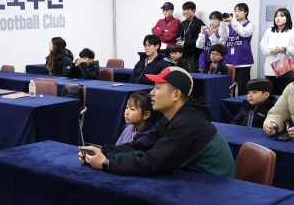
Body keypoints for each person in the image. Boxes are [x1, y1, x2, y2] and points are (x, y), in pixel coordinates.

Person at [79, 67, 234, 177]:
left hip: (215, 192)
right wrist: (103, 151)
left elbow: (151, 163)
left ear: (176, 95)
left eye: (158, 88)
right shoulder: (172, 119)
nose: (151, 93)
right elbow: (141, 145)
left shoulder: (188, 124)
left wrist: (106, 164)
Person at [261, 7, 294, 96]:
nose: (278, 18)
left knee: (284, 93)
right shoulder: (269, 31)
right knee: (271, 93)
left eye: (282, 16)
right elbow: (263, 45)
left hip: (286, 68)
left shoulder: (293, 31)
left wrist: (284, 50)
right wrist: (270, 51)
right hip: (270, 66)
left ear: (287, 18)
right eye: (276, 16)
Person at [226, 3, 256, 94]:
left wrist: (233, 21)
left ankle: (243, 103)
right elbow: (222, 37)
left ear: (246, 12)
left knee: (243, 88)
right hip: (229, 61)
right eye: (235, 11)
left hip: (243, 61)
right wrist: (223, 23)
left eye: (239, 11)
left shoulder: (249, 25)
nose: (237, 13)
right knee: (229, 88)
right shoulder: (230, 25)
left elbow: (244, 33)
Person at [177, 1, 205, 66]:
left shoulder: (199, 23)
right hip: (182, 54)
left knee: (192, 71)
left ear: (194, 11)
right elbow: (179, 36)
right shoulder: (183, 23)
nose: (185, 12)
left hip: (193, 56)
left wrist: (185, 43)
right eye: (184, 10)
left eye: (187, 10)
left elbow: (200, 41)